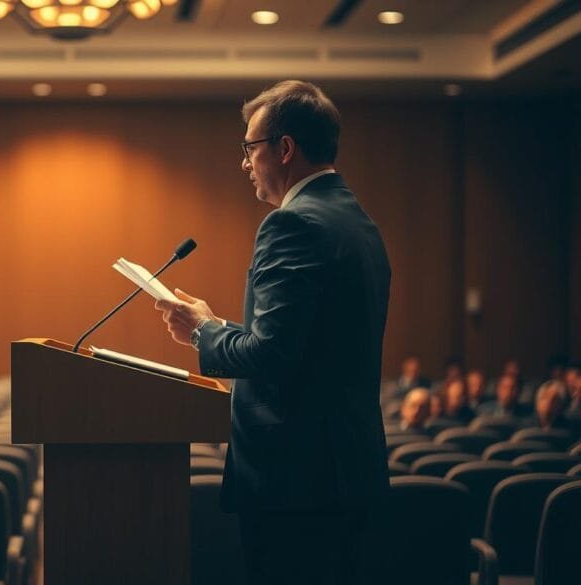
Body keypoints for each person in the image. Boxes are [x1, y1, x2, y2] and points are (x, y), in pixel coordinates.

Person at [154, 80, 390, 585]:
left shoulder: (293, 224)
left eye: (249, 147)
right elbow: (301, 346)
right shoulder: (356, 221)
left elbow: (271, 358)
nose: (244, 162)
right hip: (344, 471)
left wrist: (202, 333)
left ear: (284, 149)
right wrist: (214, 326)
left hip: (295, 483)